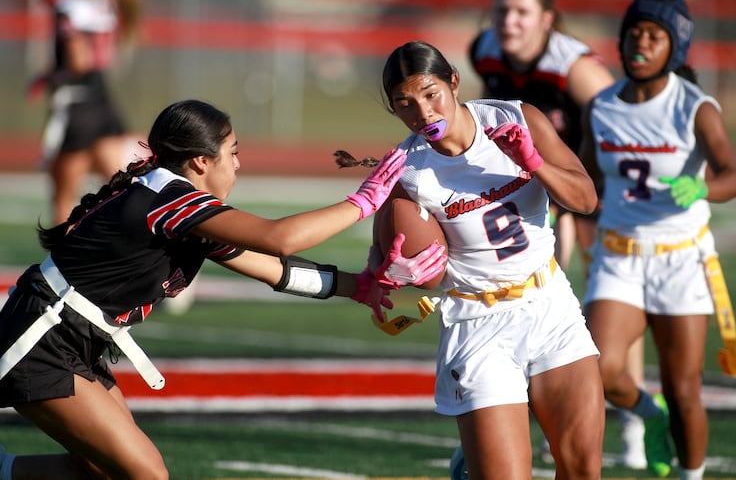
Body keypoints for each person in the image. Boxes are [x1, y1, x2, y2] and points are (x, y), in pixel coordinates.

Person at [0, 99, 445, 479]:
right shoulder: (171, 201)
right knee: (146, 472)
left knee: (105, 470)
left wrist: (360, 287)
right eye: (232, 152)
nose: (237, 163)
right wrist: (362, 202)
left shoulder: (182, 208)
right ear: (200, 162)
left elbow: (274, 268)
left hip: (75, 339)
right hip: (43, 337)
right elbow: (280, 238)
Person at [376, 40, 605, 480]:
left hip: (548, 303)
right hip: (477, 321)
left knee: (582, 470)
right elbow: (387, 260)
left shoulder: (516, 118)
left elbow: (586, 198)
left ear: (454, 83)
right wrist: (398, 271)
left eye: (430, 94)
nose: (423, 114)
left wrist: (532, 161)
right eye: (405, 104)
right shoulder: (407, 169)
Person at [468, 0, 646, 469]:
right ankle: (543, 411)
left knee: (605, 296)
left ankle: (631, 418)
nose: (508, 20)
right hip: (537, 185)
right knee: (539, 290)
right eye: (502, 9)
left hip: (593, 183)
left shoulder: (577, 67)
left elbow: (621, 124)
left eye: (521, 11)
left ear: (547, 19)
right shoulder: (485, 47)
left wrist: (597, 193)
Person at [580, 0, 736, 480]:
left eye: (654, 35)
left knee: (684, 389)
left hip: (681, 257)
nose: (641, 43)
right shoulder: (602, 106)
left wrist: (702, 189)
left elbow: (734, 176)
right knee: (600, 371)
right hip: (618, 255)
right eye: (634, 32)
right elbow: (585, 179)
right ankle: (649, 416)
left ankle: (691, 475)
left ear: (675, 46)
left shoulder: (696, 107)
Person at [29, 0, 144, 225]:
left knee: (63, 199)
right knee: (122, 191)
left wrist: (56, 75)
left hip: (77, 106)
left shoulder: (70, 6)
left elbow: (80, 60)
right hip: (102, 102)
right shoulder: (104, 5)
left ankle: (62, 267)